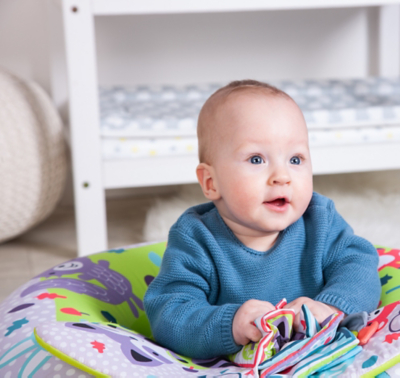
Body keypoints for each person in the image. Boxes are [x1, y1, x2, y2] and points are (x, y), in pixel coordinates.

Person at [143, 80, 381, 359]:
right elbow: (169, 313)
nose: (282, 176)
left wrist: (333, 307)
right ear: (211, 181)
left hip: (319, 355)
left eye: (295, 159)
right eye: (257, 159)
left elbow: (360, 266)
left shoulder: (319, 219)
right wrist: (230, 324)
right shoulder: (196, 237)